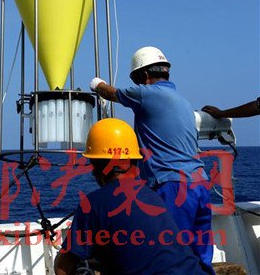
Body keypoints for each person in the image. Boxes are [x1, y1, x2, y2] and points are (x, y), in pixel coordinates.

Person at [89, 46, 214, 274]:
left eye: (136, 80)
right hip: (200, 184)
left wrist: (96, 84)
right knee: (200, 254)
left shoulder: (147, 94)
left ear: (145, 75)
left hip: (173, 185)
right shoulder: (183, 102)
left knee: (170, 252)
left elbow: (110, 93)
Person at [54, 118, 211, 275]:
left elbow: (63, 269)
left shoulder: (93, 204)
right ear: (134, 161)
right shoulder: (152, 197)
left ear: (96, 164)